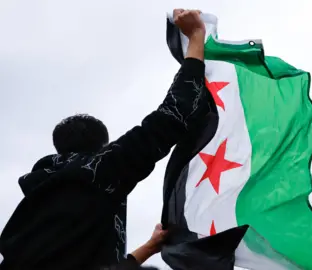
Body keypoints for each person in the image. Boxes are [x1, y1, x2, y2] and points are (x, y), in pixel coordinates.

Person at [0, 8, 210, 270]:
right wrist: (196, 37)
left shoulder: (33, 207)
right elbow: (172, 116)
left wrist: (150, 247)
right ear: (102, 149)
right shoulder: (98, 172)